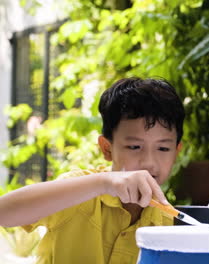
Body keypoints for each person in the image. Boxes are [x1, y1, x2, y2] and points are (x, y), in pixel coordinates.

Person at [0, 77, 185, 263]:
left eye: (163, 148)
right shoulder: (78, 193)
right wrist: (104, 183)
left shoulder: (168, 225)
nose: (149, 162)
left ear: (176, 152)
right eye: (135, 147)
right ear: (107, 148)